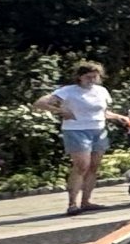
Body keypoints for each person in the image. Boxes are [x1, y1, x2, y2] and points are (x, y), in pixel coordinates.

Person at [40, 61, 116, 214]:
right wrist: (60, 111)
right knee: (82, 165)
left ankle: (86, 201)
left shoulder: (101, 91)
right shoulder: (68, 91)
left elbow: (105, 112)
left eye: (95, 77)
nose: (92, 80)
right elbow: (40, 103)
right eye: (88, 77)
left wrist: (122, 118)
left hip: (98, 129)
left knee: (94, 167)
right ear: (80, 77)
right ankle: (72, 203)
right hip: (76, 130)